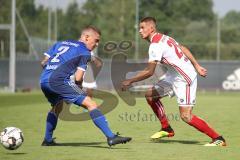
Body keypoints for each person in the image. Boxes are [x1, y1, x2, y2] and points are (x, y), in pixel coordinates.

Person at [122, 17, 226, 146]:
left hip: (185, 78)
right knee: (150, 95)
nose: (139, 30)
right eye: (140, 28)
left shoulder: (155, 45)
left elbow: (149, 71)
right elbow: (183, 48)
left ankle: (218, 138)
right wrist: (197, 65)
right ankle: (166, 128)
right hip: (174, 77)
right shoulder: (164, 37)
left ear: (151, 28)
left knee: (186, 116)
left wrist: (130, 80)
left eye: (142, 27)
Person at [40, 26, 131, 147]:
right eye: (96, 40)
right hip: (59, 81)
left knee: (57, 107)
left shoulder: (60, 43)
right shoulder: (84, 52)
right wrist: (79, 91)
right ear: (86, 37)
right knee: (91, 103)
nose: (97, 44)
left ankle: (47, 139)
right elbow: (78, 78)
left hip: (44, 80)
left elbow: (43, 62)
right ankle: (111, 137)